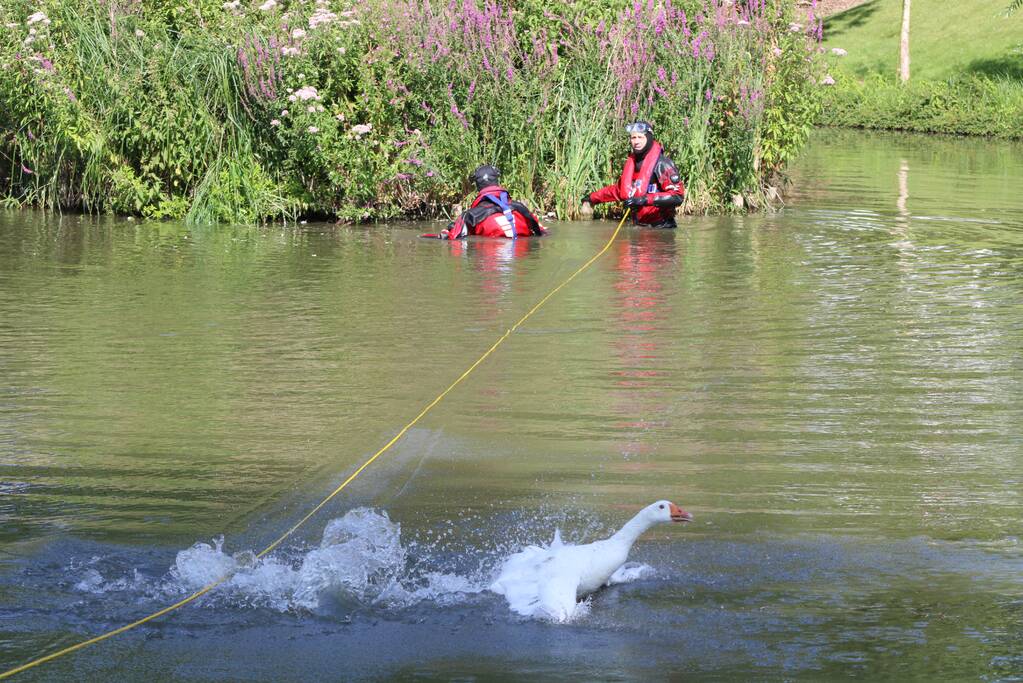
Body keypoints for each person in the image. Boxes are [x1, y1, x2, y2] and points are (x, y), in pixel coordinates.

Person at [582, 121, 685, 228]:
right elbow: (618, 190)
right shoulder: (633, 163)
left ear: (649, 138)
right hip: (640, 227)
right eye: (633, 138)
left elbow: (677, 197)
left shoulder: (662, 164)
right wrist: (591, 198)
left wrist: (644, 200)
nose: (636, 141)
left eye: (640, 137)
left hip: (662, 227)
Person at [421, 165, 548, 240]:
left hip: (492, 260)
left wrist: (427, 236)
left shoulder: (471, 215)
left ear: (477, 186)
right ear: (497, 181)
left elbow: (451, 237)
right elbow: (541, 231)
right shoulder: (521, 208)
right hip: (520, 259)